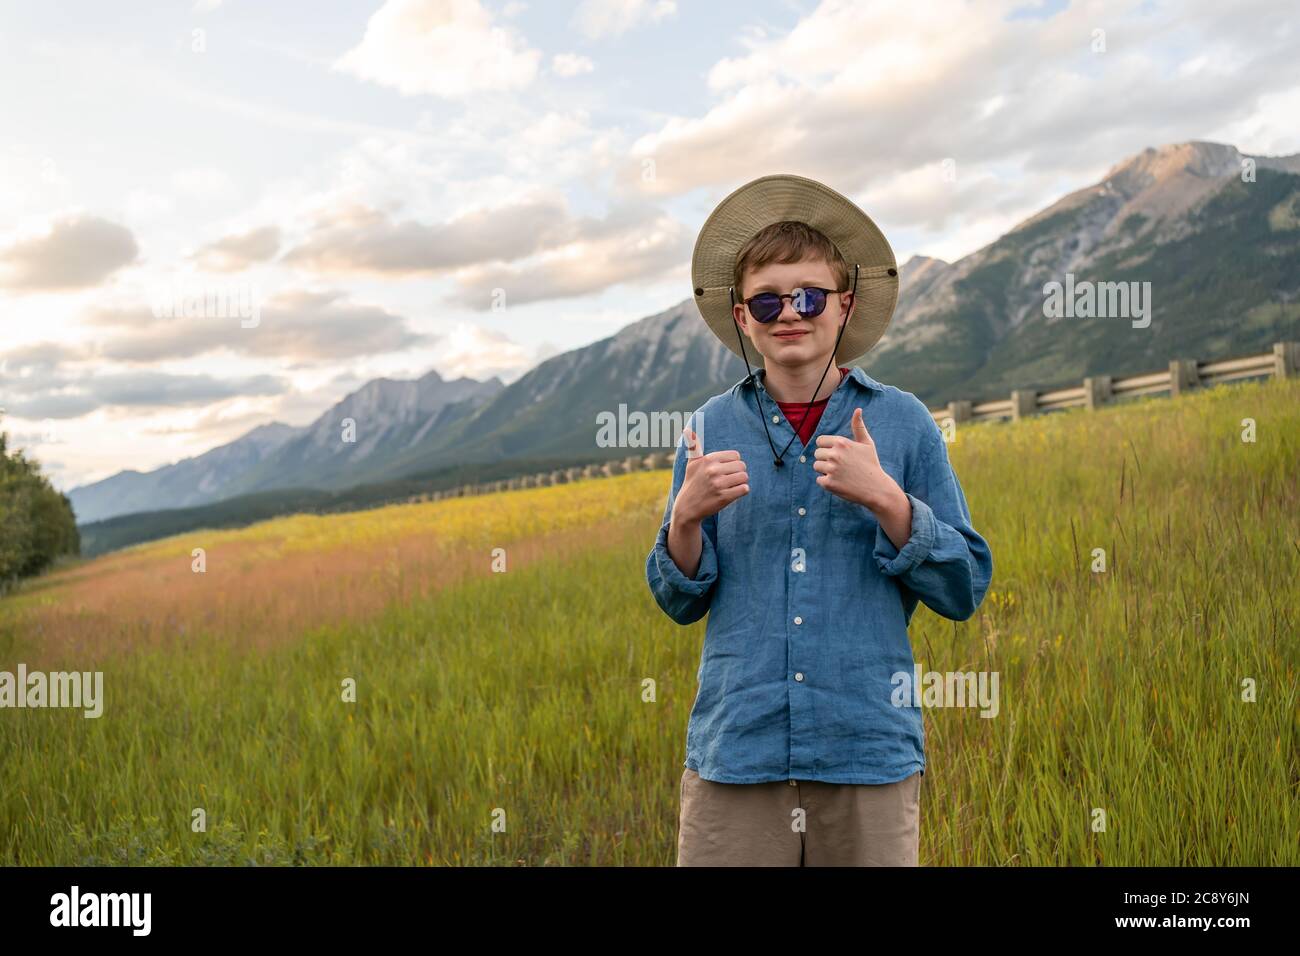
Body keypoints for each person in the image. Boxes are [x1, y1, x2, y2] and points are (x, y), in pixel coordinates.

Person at [644, 173, 994, 866]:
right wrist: (683, 522)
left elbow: (963, 588)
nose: (789, 314)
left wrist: (887, 500)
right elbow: (679, 602)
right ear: (743, 317)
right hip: (737, 752)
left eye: (808, 296)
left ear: (845, 306)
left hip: (865, 748)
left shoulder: (904, 422)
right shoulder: (708, 427)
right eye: (768, 300)